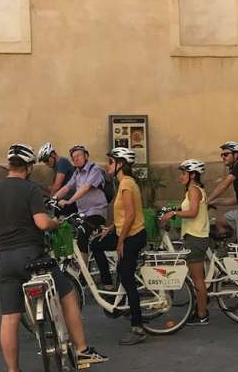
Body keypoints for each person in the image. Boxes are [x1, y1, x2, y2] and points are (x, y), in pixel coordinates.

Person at [0, 144, 107, 371]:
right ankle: (82, 349)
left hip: (4, 260)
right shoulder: (30, 189)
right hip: (31, 256)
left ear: (10, 165)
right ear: (28, 167)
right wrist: (55, 223)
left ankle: (13, 369)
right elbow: (42, 223)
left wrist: (4, 231)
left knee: (10, 317)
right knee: (67, 293)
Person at [90, 147, 147, 345]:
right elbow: (124, 214)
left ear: (121, 164)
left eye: (112, 162)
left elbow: (131, 215)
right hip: (125, 232)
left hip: (133, 236)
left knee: (127, 276)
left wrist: (120, 241)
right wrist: (111, 228)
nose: (109, 166)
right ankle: (109, 286)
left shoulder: (126, 184)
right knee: (96, 244)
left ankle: (137, 327)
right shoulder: (124, 182)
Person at [159, 159, 210, 325]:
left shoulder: (194, 190)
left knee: (197, 279)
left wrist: (174, 214)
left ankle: (202, 315)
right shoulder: (192, 190)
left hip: (196, 238)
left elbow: (193, 212)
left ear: (192, 175)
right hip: (194, 236)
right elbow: (189, 209)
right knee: (196, 277)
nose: (180, 177)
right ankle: (200, 309)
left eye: (183, 173)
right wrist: (174, 211)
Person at [55, 144, 110, 264]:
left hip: (96, 212)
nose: (76, 158)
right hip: (83, 213)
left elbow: (85, 188)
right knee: (68, 228)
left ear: (86, 156)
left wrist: (69, 201)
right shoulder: (77, 173)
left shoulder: (94, 170)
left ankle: (83, 272)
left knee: (82, 234)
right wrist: (54, 198)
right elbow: (67, 187)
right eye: (73, 157)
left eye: (79, 155)